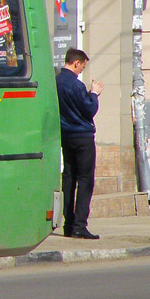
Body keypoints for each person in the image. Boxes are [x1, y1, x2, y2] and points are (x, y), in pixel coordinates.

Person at [56, 48, 104, 239]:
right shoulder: (76, 86)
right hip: (82, 137)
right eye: (82, 66)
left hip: (66, 136)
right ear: (76, 63)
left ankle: (68, 224)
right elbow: (89, 109)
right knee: (85, 181)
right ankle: (79, 226)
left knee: (68, 179)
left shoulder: (56, 82)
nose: (82, 70)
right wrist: (94, 93)